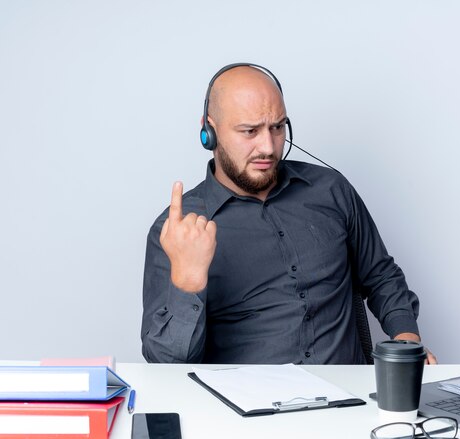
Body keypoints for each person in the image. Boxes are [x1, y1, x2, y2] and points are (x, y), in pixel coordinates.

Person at [141, 63, 436, 365]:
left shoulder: (331, 190)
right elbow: (166, 363)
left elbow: (381, 275)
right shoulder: (177, 231)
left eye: (277, 127)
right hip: (248, 406)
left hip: (354, 403)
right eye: (249, 131)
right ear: (209, 131)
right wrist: (187, 282)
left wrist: (406, 340)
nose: (268, 147)